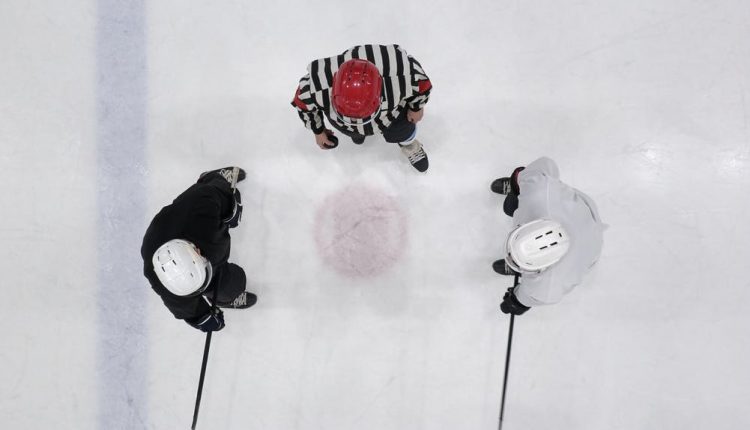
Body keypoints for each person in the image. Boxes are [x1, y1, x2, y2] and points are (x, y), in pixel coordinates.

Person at [141, 167, 256, 332]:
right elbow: (187, 309)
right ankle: (223, 299)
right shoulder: (166, 285)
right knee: (232, 287)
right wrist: (203, 318)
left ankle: (212, 176)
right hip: (207, 257)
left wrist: (230, 209)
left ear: (197, 252)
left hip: (198, 215)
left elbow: (214, 194)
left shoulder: (200, 208)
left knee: (221, 188)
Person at [490, 157, 606, 315]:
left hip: (588, 249)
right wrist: (519, 182)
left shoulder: (547, 287)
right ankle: (517, 189)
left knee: (511, 207)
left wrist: (517, 301)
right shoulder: (539, 190)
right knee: (510, 207)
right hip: (583, 214)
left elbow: (526, 298)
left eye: (519, 264)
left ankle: (519, 271)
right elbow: (545, 166)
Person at [291, 44, 433, 172]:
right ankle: (357, 134)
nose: (357, 121)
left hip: (391, 115)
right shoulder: (316, 85)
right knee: (354, 132)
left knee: (403, 130)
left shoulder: (400, 73)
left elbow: (422, 83)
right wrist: (318, 130)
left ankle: (409, 145)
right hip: (344, 123)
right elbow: (302, 104)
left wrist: (416, 107)